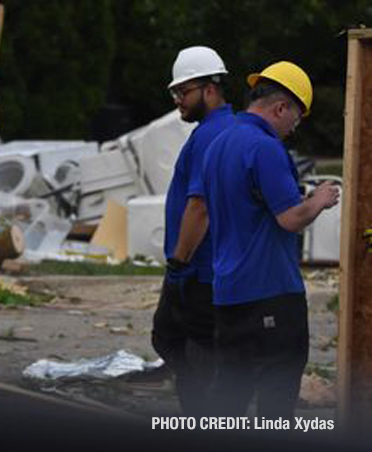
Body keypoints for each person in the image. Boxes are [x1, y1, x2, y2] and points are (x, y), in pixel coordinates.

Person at [201, 61, 340, 418]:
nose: (293, 129)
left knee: (228, 397)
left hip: (228, 292)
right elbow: (291, 219)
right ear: (280, 107)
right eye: (296, 118)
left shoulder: (218, 143)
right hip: (271, 292)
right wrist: (319, 200)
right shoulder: (264, 147)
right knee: (275, 403)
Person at [151, 46, 235, 416]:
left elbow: (199, 208)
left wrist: (179, 263)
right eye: (175, 93)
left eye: (183, 92)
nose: (178, 101)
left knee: (191, 349)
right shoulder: (223, 129)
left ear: (211, 88)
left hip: (197, 271)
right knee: (170, 338)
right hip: (203, 268)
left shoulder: (209, 136)